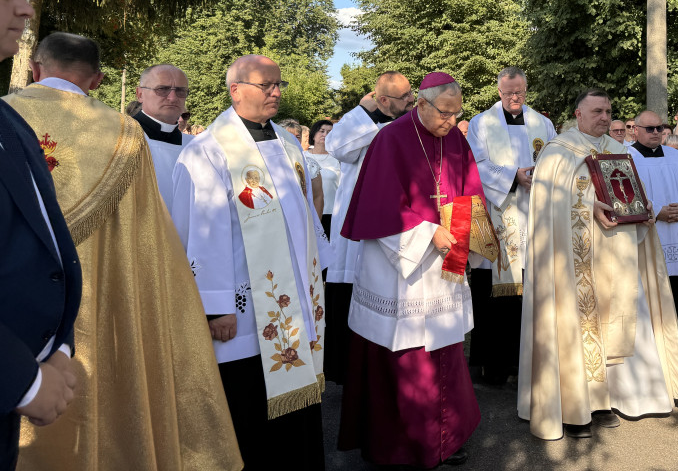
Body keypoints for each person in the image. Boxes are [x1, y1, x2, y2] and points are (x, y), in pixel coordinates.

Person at [8, 33, 240, 471]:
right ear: (97, 80)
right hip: (102, 297)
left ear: (35, 70)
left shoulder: (6, 114)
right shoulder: (122, 131)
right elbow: (150, 238)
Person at [170, 55, 325, 471]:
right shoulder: (209, 151)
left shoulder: (289, 143)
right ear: (235, 89)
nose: (276, 92)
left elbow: (306, 215)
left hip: (294, 298)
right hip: (241, 306)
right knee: (249, 399)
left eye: (279, 84)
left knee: (297, 402)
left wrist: (316, 271)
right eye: (265, 85)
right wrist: (216, 305)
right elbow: (200, 232)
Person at [519, 89, 678, 441]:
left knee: (624, 318)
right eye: (597, 111)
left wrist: (641, 212)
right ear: (578, 114)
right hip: (574, 262)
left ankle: (619, 398)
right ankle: (576, 407)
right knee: (577, 326)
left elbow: (632, 194)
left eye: (608, 110)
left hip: (618, 257)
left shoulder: (618, 152)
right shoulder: (558, 151)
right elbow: (548, 203)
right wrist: (588, 205)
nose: (604, 116)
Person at [338, 72, 484, 467]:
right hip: (399, 266)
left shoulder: (454, 139)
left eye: (457, 113)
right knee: (405, 354)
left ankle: (444, 439)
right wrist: (426, 234)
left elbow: (469, 193)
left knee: (445, 349)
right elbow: (378, 205)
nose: (451, 122)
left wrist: (474, 233)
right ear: (420, 103)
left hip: (444, 263)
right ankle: (398, 446)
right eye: (444, 113)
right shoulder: (390, 138)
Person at [0, 0, 81, 471]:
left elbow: (45, 244)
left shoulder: (12, 124)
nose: (26, 8)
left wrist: (59, 350)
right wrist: (21, 378)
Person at [322, 71, 415, 384]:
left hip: (398, 221)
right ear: (384, 99)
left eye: (411, 96)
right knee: (353, 286)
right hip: (358, 221)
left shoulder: (414, 123)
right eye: (404, 98)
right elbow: (337, 146)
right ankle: (348, 370)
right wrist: (368, 115)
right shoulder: (358, 119)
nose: (411, 102)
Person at [466, 66, 556, 385]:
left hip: (534, 216)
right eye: (508, 93)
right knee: (492, 294)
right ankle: (491, 366)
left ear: (526, 90)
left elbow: (555, 159)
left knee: (532, 293)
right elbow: (476, 163)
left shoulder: (543, 124)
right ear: (499, 91)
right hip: (498, 212)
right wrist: (512, 176)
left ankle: (527, 364)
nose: (514, 97)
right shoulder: (481, 123)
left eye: (519, 92)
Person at [629, 109, 678, 364]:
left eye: (660, 128)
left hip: (676, 234)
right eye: (650, 129)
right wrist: (656, 210)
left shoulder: (676, 156)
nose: (656, 133)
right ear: (635, 130)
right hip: (647, 232)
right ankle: (650, 357)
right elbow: (625, 192)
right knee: (647, 293)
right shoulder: (627, 157)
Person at [132, 63, 193, 210]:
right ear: (140, 94)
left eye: (180, 91)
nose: (172, 98)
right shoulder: (120, 140)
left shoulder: (197, 147)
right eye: (162, 89)